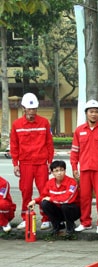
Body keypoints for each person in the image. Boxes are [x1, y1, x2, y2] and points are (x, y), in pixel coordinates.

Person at [10, 92, 54, 230]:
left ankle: (46, 218)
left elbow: (49, 144)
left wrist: (50, 162)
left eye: (34, 109)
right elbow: (14, 145)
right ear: (23, 108)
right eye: (29, 109)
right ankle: (25, 217)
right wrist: (15, 164)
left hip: (41, 163)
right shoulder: (17, 124)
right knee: (26, 191)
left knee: (44, 191)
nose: (32, 112)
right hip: (25, 163)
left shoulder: (44, 122)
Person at [70, 99, 98, 234]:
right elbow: (74, 152)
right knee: (84, 196)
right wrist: (74, 168)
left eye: (96, 112)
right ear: (86, 113)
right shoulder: (79, 131)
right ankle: (85, 222)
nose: (93, 114)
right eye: (91, 112)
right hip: (84, 169)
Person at [27, 160, 80, 236]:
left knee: (65, 206)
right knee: (44, 203)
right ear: (52, 172)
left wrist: (51, 199)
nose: (59, 173)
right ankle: (57, 226)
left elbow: (67, 199)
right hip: (59, 210)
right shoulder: (50, 183)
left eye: (61, 170)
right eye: (56, 171)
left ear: (65, 171)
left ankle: (70, 226)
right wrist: (34, 201)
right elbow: (43, 196)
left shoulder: (72, 182)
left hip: (73, 211)